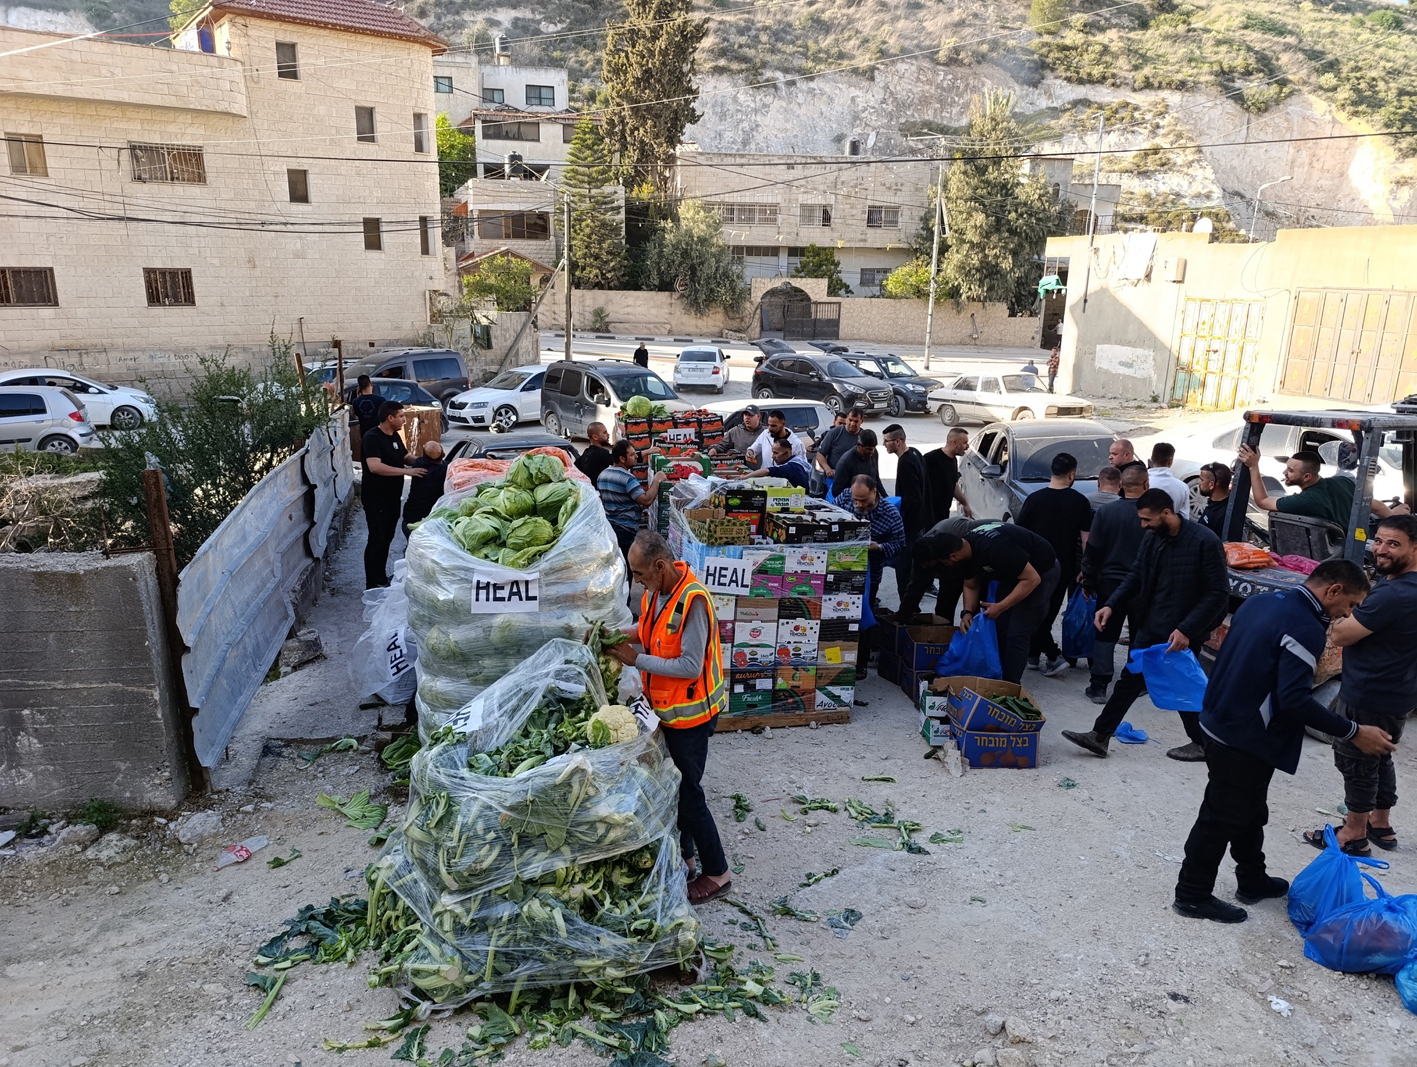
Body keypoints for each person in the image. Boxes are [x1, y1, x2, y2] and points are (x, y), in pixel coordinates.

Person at [1174, 560, 1393, 924]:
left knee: (1250, 809)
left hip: (1217, 718)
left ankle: (1252, 880)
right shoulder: (1305, 627)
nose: (1348, 614)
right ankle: (1192, 895)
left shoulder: (1263, 602)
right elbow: (1294, 699)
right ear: (1334, 590)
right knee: (1219, 816)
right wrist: (1354, 731)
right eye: (1351, 605)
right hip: (1243, 737)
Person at [606, 531, 731, 905]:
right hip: (667, 713)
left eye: (641, 574)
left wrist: (634, 659)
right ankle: (687, 858)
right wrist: (612, 635)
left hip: (692, 716)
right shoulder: (656, 593)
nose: (637, 582)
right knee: (674, 790)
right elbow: (647, 633)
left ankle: (718, 873)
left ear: (661, 566)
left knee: (690, 795)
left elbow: (690, 666)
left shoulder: (693, 602)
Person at [1061, 488, 1228, 761]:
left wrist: (1187, 630)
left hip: (1182, 631)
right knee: (1130, 680)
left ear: (1166, 513)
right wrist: (1110, 605)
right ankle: (1100, 736)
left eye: (1147, 519)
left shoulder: (1204, 541)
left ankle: (1203, 743)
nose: (1142, 525)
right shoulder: (1154, 537)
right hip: (1152, 625)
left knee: (1181, 685)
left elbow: (1217, 594)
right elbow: (1135, 574)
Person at [1303, 515, 1417, 857]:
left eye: (1393, 544)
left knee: (1356, 759)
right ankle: (1380, 823)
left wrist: (1342, 616)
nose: (1380, 550)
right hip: (1399, 691)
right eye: (1378, 540)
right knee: (1381, 755)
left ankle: (1353, 834)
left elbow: (1341, 635)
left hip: (1369, 690)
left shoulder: (1394, 594)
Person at [915, 522, 1061, 684]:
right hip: (1013, 573)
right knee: (999, 625)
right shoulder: (964, 551)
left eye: (946, 564)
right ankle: (995, 674)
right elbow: (971, 583)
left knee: (1018, 630)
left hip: (1042, 570)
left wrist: (1001, 606)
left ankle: (1009, 687)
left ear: (953, 556)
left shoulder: (994, 548)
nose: (947, 568)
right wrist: (967, 613)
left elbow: (1032, 579)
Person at [1016, 452, 1092, 677]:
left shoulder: (1035, 499)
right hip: (1064, 566)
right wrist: (1086, 569)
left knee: (1037, 610)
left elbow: (1021, 533)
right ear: (1072, 474)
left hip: (1035, 567)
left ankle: (1034, 653)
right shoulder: (1080, 501)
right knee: (1047, 613)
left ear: (1051, 471)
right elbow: (1086, 540)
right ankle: (1051, 654)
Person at [1079, 465, 1150, 702]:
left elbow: (1093, 551)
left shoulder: (1106, 513)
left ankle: (1099, 685)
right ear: (1146, 485)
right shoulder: (1152, 516)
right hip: (1144, 586)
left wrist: (1088, 582)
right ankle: (1135, 682)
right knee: (1140, 635)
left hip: (1110, 584)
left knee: (1105, 633)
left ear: (1121, 486)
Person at [360, 401, 424, 589]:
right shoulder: (372, 437)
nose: (404, 419)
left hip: (392, 497)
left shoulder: (394, 436)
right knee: (377, 538)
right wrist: (406, 472)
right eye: (401, 416)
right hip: (376, 498)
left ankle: (380, 577)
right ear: (390, 417)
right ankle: (372, 583)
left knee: (387, 537)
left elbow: (405, 457)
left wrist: (424, 461)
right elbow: (375, 466)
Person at [834, 474, 906, 616]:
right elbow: (830, 513)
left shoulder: (890, 514)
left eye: (864, 500)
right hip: (838, 564)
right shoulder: (845, 497)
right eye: (856, 500)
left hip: (870, 570)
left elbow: (900, 544)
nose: (859, 505)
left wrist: (879, 547)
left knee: (865, 610)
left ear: (874, 492)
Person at [898, 515, 989, 622]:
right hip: (951, 563)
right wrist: (902, 617)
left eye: (930, 566)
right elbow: (915, 587)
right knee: (945, 604)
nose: (928, 569)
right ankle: (944, 632)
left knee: (979, 605)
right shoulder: (921, 553)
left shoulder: (961, 539)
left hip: (978, 555)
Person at [1238, 446, 1354, 528]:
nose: (1284, 472)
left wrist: (1253, 466)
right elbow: (1371, 504)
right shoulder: (1343, 482)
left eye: (1290, 470)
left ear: (1306, 477)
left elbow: (1262, 501)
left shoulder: (1305, 500)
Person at [597, 440, 668, 567]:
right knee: (627, 569)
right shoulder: (627, 479)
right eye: (632, 455)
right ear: (622, 458)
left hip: (609, 529)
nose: (636, 457)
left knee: (614, 568)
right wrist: (657, 480)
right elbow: (646, 500)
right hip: (625, 530)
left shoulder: (602, 474)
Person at [882, 423, 933, 593]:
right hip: (920, 523)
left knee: (903, 568)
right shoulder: (915, 453)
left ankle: (906, 607)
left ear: (898, 441)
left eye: (886, 441)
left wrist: (897, 517)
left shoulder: (906, 463)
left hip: (909, 526)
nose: (884, 444)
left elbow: (913, 499)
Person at [923, 427, 973, 519]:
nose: (967, 446)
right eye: (965, 443)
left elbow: (953, 485)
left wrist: (965, 504)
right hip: (929, 517)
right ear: (954, 443)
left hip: (943, 514)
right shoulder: (930, 459)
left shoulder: (953, 460)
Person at [401, 440, 447, 539]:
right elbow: (459, 465)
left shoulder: (418, 463)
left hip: (410, 519)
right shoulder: (443, 470)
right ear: (443, 454)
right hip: (426, 523)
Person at [814, 407, 865, 488]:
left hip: (855, 481)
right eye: (850, 420)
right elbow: (820, 454)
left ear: (862, 421)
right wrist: (827, 469)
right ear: (847, 418)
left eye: (856, 421)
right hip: (834, 478)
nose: (852, 424)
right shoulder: (834, 433)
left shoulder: (864, 437)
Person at [830, 428, 882, 496]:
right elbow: (836, 491)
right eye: (868, 449)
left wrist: (885, 497)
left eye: (873, 448)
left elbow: (876, 478)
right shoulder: (846, 461)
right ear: (859, 446)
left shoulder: (874, 453)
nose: (872, 452)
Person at [1146, 443, 1190, 518]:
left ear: (1152, 458)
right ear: (1170, 461)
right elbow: (1185, 517)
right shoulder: (1183, 487)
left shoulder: (1142, 483)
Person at [1196, 462, 1232, 535]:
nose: (1198, 482)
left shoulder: (1223, 515)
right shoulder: (1214, 504)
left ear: (1211, 484)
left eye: (1201, 480)